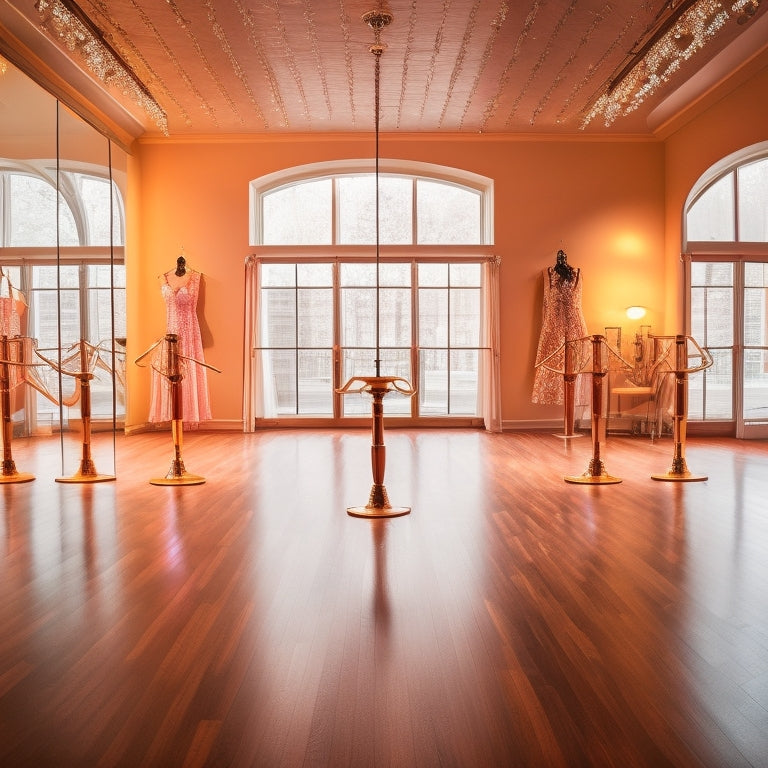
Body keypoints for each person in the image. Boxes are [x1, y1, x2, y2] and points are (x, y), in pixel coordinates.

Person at [148, 257, 212, 426]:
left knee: (188, 369)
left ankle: (191, 412)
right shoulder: (163, 277)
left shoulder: (196, 277)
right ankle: (172, 413)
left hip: (190, 330)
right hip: (171, 331)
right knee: (171, 371)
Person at [532, 250, 588, 404]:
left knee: (576, 363)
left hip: (575, 326)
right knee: (552, 363)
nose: (561, 259)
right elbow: (545, 305)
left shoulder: (578, 274)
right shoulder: (547, 274)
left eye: (563, 257)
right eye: (559, 257)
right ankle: (555, 397)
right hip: (552, 325)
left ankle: (576, 399)